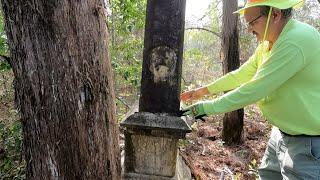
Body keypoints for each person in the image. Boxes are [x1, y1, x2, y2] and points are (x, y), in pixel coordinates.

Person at [180, 0, 320, 179]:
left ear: (275, 15)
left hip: (307, 145)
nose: (249, 29)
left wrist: (201, 109)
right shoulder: (270, 43)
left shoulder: (296, 41)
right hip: (280, 134)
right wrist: (204, 90)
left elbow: (254, 90)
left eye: (253, 22)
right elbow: (242, 74)